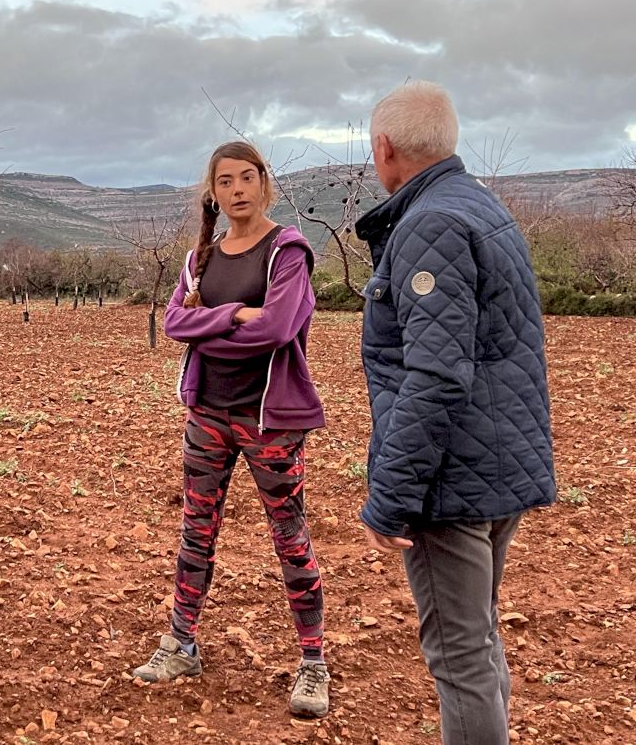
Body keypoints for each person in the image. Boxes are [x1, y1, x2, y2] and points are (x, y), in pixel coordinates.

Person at [356, 81, 555, 745]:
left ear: (384, 148)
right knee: (479, 637)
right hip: (495, 462)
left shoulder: (429, 225)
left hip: (452, 479)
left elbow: (436, 375)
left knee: (460, 656)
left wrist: (391, 496)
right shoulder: (478, 205)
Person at [132, 140, 330, 719]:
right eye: (226, 181)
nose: (237, 189)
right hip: (208, 416)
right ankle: (181, 645)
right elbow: (174, 322)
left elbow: (277, 329)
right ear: (213, 192)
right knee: (196, 531)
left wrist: (209, 328)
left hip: (270, 421)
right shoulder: (201, 259)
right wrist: (235, 314)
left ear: (264, 183)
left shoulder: (287, 251)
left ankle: (313, 662)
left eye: (247, 177)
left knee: (290, 537)